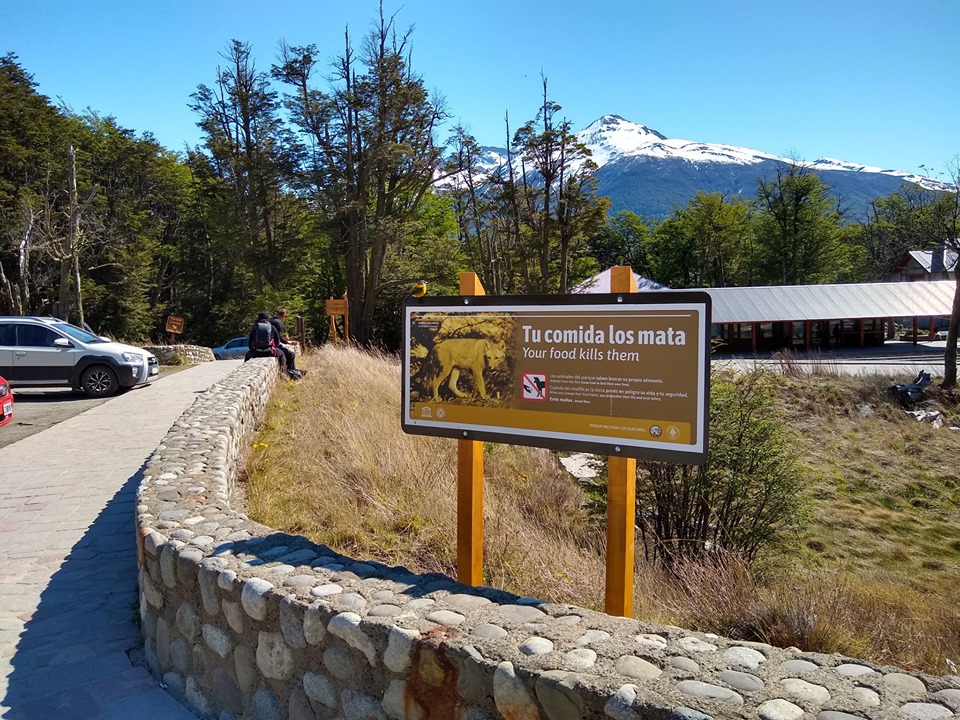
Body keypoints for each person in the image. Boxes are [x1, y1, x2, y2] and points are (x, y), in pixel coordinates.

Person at [270, 307, 305, 380]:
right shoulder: (278, 322)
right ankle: (292, 374)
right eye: (286, 316)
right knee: (291, 355)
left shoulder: (270, 320)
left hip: (269, 343)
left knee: (288, 354)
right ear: (283, 315)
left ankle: (291, 372)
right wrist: (288, 342)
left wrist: (284, 339)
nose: (285, 318)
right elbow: (278, 337)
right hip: (274, 345)